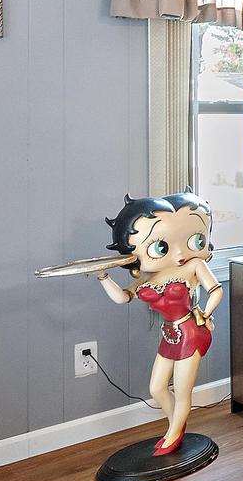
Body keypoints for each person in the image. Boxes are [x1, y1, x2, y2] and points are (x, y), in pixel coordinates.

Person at [95, 191, 222, 456]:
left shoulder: (194, 265)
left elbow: (216, 291)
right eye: (162, 246)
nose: (178, 253)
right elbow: (122, 298)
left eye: (196, 239)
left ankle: (173, 433)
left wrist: (206, 314)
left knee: (182, 389)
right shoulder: (149, 275)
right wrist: (103, 277)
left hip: (191, 331)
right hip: (170, 335)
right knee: (156, 388)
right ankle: (176, 422)